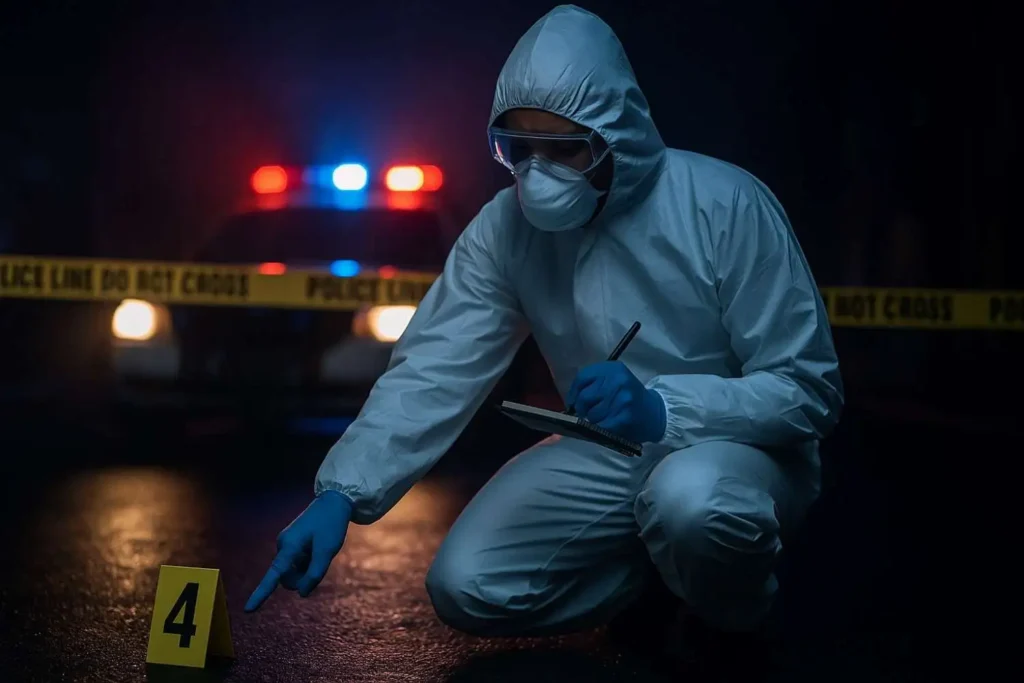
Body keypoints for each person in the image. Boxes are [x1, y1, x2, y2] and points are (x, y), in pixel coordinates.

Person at [246, 3, 843, 663]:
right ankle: (658, 579)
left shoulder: (725, 204)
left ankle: (733, 619)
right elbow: (437, 365)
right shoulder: (507, 229)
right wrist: (341, 493)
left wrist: (664, 406)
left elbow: (807, 389)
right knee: (465, 584)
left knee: (693, 503)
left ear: (617, 132)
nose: (538, 172)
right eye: (519, 148)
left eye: (563, 148)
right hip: (611, 451)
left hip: (741, 451)